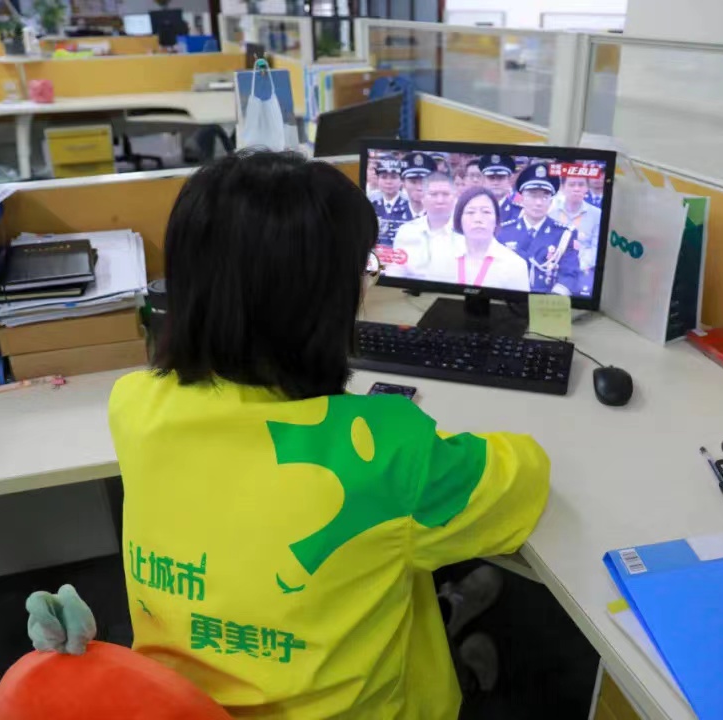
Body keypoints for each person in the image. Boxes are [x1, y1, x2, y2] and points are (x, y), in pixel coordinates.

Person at [108, 151, 550, 719]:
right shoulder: (389, 449)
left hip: (183, 705)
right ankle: (456, 630)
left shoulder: (133, 404)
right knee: (408, 556)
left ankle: (449, 608)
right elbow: (525, 475)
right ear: (323, 301)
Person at [499, 163, 582, 295]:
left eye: (544, 196)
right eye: (533, 195)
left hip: (547, 299)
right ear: (522, 198)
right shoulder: (504, 231)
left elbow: (569, 274)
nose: (539, 203)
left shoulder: (564, 235)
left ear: (551, 201)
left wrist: (552, 299)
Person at [447, 187, 530, 292]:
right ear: (459, 219)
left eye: (486, 212)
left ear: (496, 219)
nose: (478, 219)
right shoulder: (443, 258)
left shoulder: (515, 265)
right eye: (470, 212)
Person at [389, 171, 457, 280]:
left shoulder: (465, 232)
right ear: (423, 198)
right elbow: (396, 271)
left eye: (445, 194)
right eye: (433, 194)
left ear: (455, 197)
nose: (440, 200)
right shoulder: (407, 231)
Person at [549, 173, 602, 273]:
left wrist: (576, 266)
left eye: (581, 185)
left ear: (587, 188)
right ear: (563, 188)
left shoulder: (597, 215)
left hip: (583, 270)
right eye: (572, 185)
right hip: (554, 268)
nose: (576, 189)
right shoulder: (551, 213)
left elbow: (596, 249)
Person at [371, 154, 410, 246]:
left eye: (393, 177)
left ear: (401, 180)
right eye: (384, 177)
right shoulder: (371, 203)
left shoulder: (409, 204)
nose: (388, 182)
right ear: (377, 179)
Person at [480, 154, 521, 223]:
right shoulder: (474, 209)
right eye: (491, 178)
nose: (496, 182)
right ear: (484, 180)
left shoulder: (520, 213)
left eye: (501, 177)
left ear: (509, 180)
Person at [400, 151, 437, 220]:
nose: (419, 188)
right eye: (413, 182)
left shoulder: (440, 215)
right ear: (403, 183)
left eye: (423, 182)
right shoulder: (393, 213)